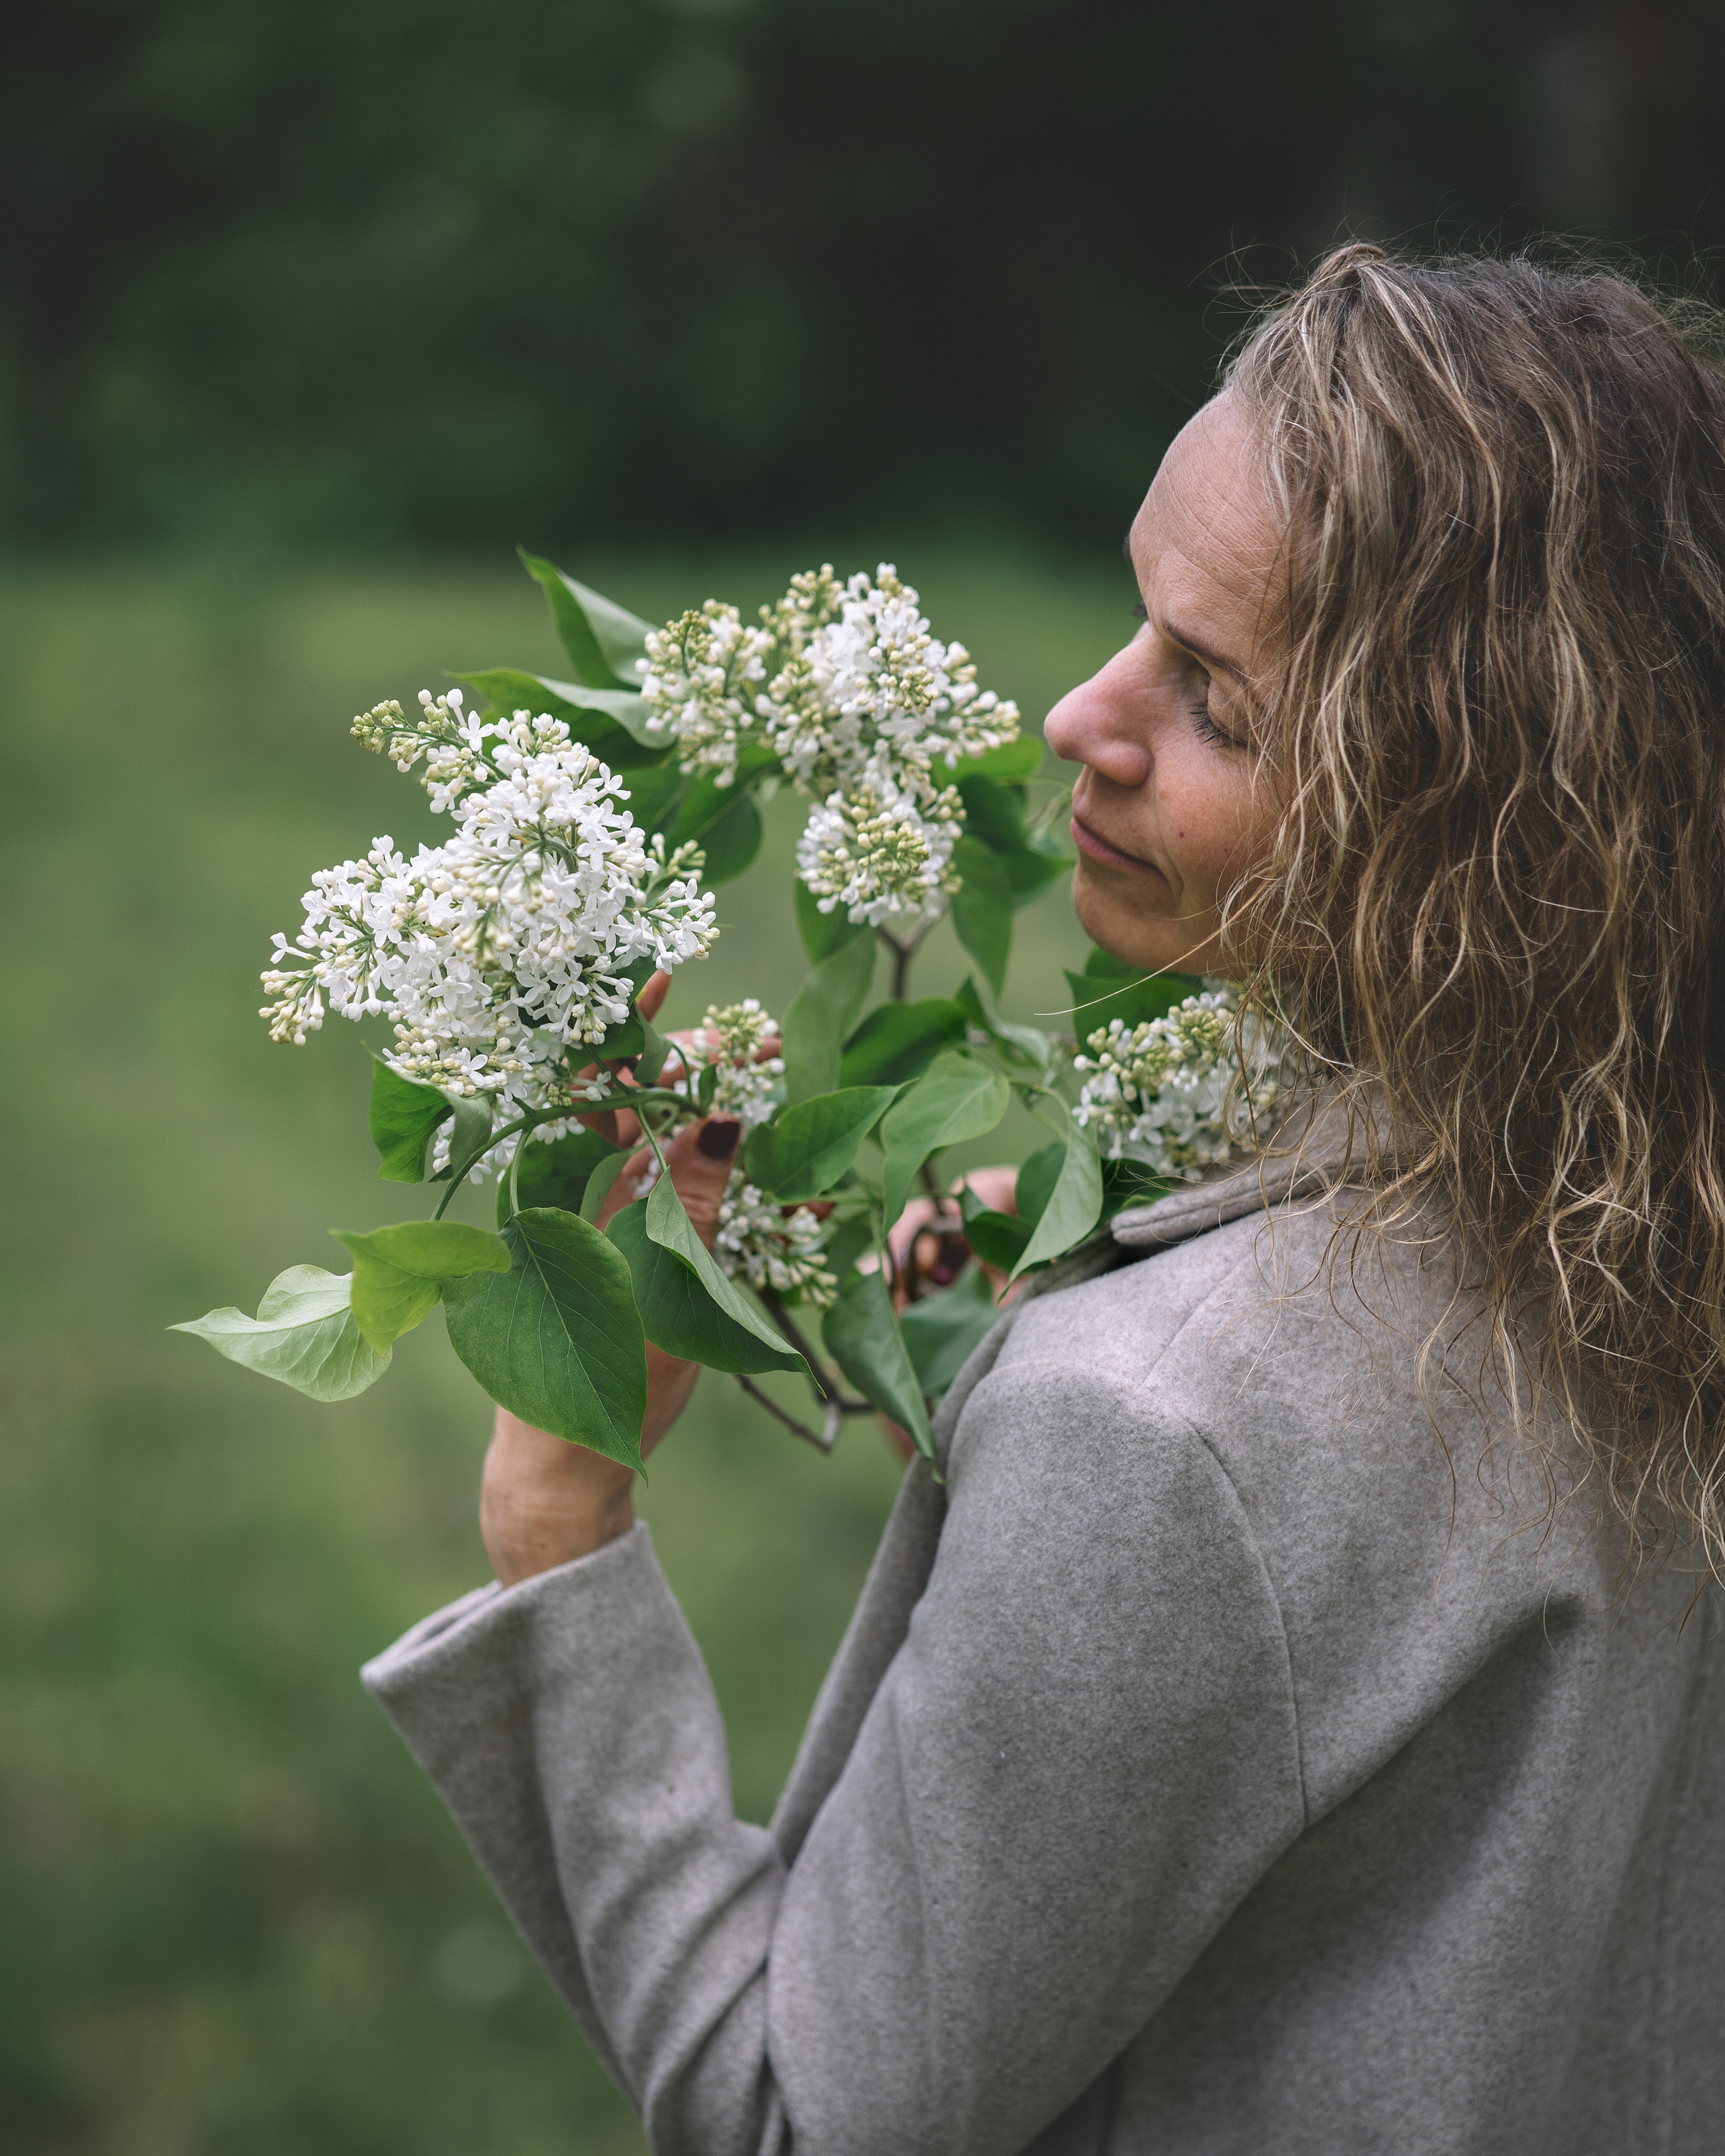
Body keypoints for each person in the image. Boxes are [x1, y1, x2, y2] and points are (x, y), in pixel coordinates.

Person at [360, 247, 1725, 2154]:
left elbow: (793, 2121)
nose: (1082, 719)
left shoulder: (1160, 1436)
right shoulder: (1650, 1194)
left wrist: (561, 1525)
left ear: (1473, 833)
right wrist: (1167, 1209)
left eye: (1222, 710)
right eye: (1136, 619)